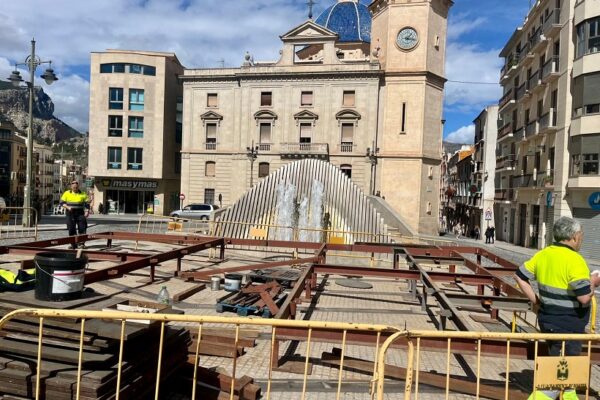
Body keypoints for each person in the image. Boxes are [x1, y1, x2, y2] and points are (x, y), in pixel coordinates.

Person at [515, 217, 600, 400]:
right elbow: (584, 297)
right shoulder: (575, 260)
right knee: (558, 376)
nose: (582, 239)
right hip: (568, 325)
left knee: (565, 371)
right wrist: (593, 282)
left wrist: (536, 301)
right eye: (581, 235)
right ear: (574, 237)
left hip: (548, 320)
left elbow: (520, 276)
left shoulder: (543, 254)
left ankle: (568, 393)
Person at [59, 181, 90, 249]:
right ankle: (73, 244)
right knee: (71, 228)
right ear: (71, 187)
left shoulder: (83, 193)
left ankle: (81, 244)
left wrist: (87, 211)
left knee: (82, 228)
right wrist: (68, 207)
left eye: (76, 187)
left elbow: (87, 203)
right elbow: (61, 203)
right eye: (73, 187)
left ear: (78, 187)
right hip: (70, 213)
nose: (75, 188)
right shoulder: (67, 193)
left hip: (80, 213)